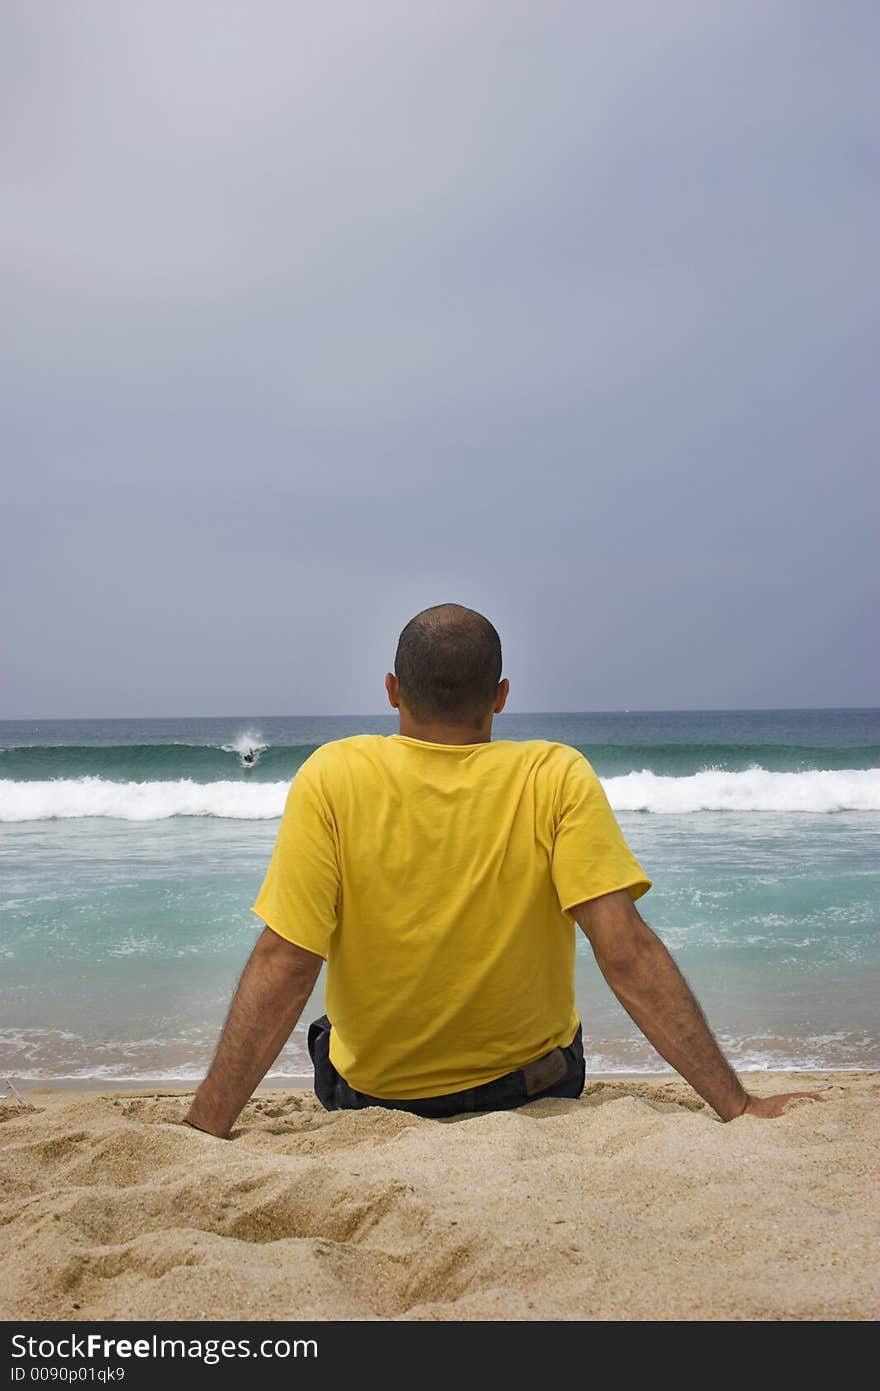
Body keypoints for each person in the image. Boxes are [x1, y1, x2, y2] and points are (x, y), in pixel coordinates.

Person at [185, 603, 822, 1138]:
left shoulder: (332, 776)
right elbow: (624, 950)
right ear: (501, 696)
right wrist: (737, 1107)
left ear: (392, 689)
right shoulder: (554, 774)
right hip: (532, 1092)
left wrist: (207, 1127)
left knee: (329, 1032)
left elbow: (287, 960)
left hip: (374, 1101)